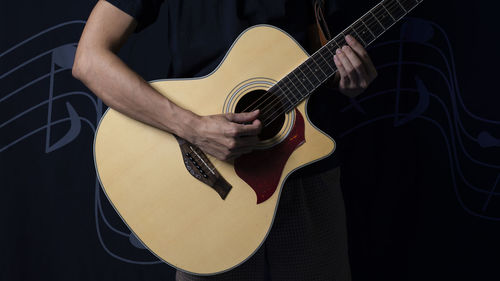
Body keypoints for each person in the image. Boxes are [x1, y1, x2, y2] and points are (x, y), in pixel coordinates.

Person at [73, 0, 377, 280]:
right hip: (206, 188)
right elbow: (89, 60)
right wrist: (193, 128)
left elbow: (321, 45)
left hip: (303, 166)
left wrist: (347, 77)